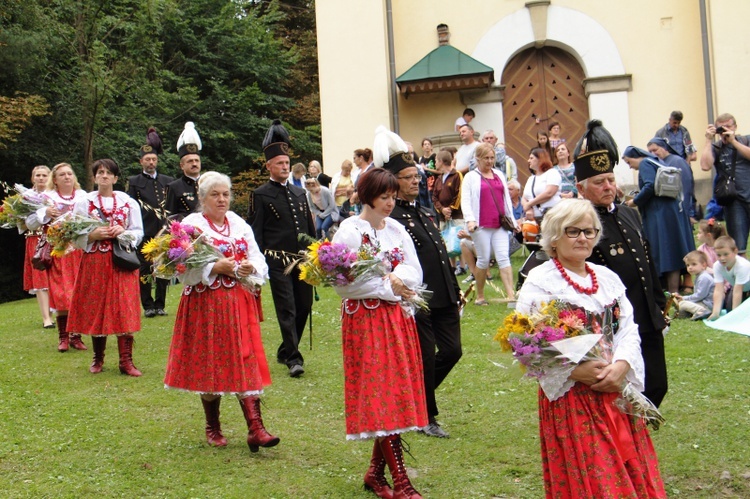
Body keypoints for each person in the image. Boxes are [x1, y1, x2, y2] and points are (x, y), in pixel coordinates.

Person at [516, 198, 666, 498]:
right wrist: (576, 369)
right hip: (573, 396)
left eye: (589, 231)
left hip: (616, 391)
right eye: (573, 231)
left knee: (628, 467)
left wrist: (622, 364)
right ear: (554, 237)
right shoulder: (541, 280)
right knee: (596, 475)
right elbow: (525, 342)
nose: (583, 238)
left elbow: (629, 327)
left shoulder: (607, 278)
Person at [164, 171, 279, 453]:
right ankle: (212, 426)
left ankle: (256, 429)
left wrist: (251, 268)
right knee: (211, 362)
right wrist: (214, 267)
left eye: (225, 194)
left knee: (246, 358)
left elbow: (256, 257)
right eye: (215, 194)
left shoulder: (239, 224)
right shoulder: (191, 225)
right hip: (206, 303)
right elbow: (180, 266)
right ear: (202, 198)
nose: (222, 199)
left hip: (239, 302)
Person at [331, 167, 427, 499]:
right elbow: (343, 283)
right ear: (369, 197)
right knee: (380, 392)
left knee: (394, 394)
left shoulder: (396, 228)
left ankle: (375, 472)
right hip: (366, 321)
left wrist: (401, 279)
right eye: (384, 197)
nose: (390, 203)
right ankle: (400, 479)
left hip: (397, 319)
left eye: (392, 197)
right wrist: (390, 285)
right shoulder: (349, 231)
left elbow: (415, 268)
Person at [574, 119, 669, 408]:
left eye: (611, 180)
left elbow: (647, 262)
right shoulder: (580, 223)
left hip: (647, 318)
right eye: (599, 182)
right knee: (622, 393)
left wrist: (658, 305)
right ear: (582, 187)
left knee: (656, 385)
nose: (608, 187)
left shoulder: (630, 215)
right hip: (612, 324)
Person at [380, 128, 463, 440]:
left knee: (453, 351)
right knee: (425, 357)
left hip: (443, 293)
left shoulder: (425, 210)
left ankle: (413, 395)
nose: (415, 181)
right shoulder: (391, 217)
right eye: (407, 177)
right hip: (415, 298)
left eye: (416, 176)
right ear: (392, 181)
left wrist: (454, 290)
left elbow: (440, 255)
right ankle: (425, 415)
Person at [248, 120, 315, 378]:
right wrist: (257, 262)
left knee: (304, 306)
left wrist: (315, 253)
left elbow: (310, 229)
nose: (285, 167)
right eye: (279, 164)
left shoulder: (300, 194)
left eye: (287, 163)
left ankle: (286, 348)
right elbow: (256, 232)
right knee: (286, 308)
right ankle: (294, 359)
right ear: (269, 166)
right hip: (276, 262)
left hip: (302, 261)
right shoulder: (261, 194)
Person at [67, 159, 143, 376]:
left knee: (124, 307)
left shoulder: (129, 203)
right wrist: (92, 235)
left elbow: (138, 232)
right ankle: (97, 358)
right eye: (100, 172)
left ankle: (126, 361)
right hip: (95, 262)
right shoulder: (84, 203)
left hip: (121, 261)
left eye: (109, 173)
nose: (104, 176)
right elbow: (73, 233)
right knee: (96, 307)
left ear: (116, 178)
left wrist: (123, 233)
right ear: (94, 177)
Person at [26, 163, 87, 352]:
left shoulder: (83, 196)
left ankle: (76, 336)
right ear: (56, 179)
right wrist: (45, 213)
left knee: (78, 293)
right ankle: (63, 336)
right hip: (58, 252)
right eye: (62, 174)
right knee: (61, 294)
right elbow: (29, 222)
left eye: (70, 173)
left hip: (79, 250)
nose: (67, 177)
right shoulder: (47, 198)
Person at [622, 146, 695, 293]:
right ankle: (674, 289)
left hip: (660, 214)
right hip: (670, 211)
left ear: (636, 157)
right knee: (673, 249)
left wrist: (634, 201)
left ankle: (671, 292)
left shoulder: (645, 164)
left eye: (629, 162)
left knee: (666, 251)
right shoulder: (656, 162)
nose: (630, 167)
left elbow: (649, 186)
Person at [461, 142, 517, 304]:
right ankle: (480, 295)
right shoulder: (470, 177)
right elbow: (465, 201)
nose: (489, 161)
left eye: (492, 158)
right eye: (486, 158)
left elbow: (506, 200)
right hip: (480, 225)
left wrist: (513, 221)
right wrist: (470, 220)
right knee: (483, 259)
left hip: (499, 224)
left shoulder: (499, 174)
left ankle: (510, 295)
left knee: (503, 257)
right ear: (477, 159)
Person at [128, 128, 174, 318]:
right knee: (145, 269)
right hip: (145, 230)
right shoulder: (134, 181)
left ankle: (160, 303)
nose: (151, 162)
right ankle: (147, 305)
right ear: (141, 161)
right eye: (147, 159)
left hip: (164, 230)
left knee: (163, 268)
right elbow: (131, 206)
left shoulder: (168, 181)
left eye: (153, 159)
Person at [700, 113, 750, 256]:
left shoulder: (746, 140)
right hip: (733, 201)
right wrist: (708, 140)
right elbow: (705, 165)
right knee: (738, 248)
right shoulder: (716, 147)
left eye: (728, 126)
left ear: (735, 127)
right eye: (721, 128)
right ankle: (743, 277)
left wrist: (733, 141)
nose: (725, 130)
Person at [23, 165, 54, 329]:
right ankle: (46, 318)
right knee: (40, 277)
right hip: (35, 238)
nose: (41, 178)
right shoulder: (26, 197)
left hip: (54, 237)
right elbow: (23, 222)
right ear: (33, 178)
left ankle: (55, 311)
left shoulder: (54, 195)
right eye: (38, 175)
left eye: (44, 175)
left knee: (55, 276)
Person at [647, 137, 696, 221]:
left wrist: (685, 210)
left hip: (680, 208)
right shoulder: (658, 163)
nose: (653, 153)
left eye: (655, 150)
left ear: (664, 148)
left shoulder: (677, 162)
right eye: (650, 152)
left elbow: (686, 187)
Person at [708, 236, 750, 319]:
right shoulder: (717, 266)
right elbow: (718, 290)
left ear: (735, 251)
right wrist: (715, 312)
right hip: (738, 288)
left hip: (743, 288)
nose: (722, 258)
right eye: (718, 255)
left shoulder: (742, 265)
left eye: (726, 254)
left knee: (738, 313)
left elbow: (738, 291)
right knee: (729, 310)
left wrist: (735, 315)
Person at [166, 122, 202, 219]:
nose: (194, 164)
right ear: (182, 165)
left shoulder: (209, 183)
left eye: (197, 160)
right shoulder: (174, 187)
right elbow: (171, 218)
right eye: (190, 161)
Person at [522, 148, 562, 220]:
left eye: (531, 158)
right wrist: (528, 209)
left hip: (552, 215)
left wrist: (529, 204)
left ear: (540, 159)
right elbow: (524, 197)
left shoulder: (552, 173)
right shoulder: (531, 178)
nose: (528, 161)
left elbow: (549, 193)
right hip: (535, 218)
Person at [674, 250, 714, 320]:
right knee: (681, 309)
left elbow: (700, 296)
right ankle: (693, 313)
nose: (690, 267)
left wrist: (684, 298)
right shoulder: (699, 276)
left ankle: (702, 311)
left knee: (682, 304)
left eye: (694, 264)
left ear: (703, 265)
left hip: (708, 305)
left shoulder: (704, 277)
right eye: (688, 265)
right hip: (702, 303)